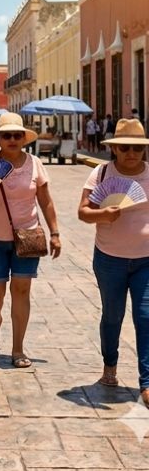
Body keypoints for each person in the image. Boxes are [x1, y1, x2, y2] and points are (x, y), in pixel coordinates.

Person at [0, 113, 62, 369]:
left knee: (21, 290)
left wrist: (54, 233)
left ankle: (18, 348)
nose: (12, 139)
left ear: (24, 138)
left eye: (17, 135)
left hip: (27, 237)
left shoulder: (34, 164)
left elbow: (46, 200)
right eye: (6, 135)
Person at [78, 118, 149, 403]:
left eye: (137, 148)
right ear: (115, 149)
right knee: (112, 316)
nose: (131, 153)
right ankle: (110, 365)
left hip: (146, 259)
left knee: (146, 317)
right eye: (124, 147)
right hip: (110, 259)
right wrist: (102, 215)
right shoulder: (101, 174)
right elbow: (83, 211)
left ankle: (146, 382)